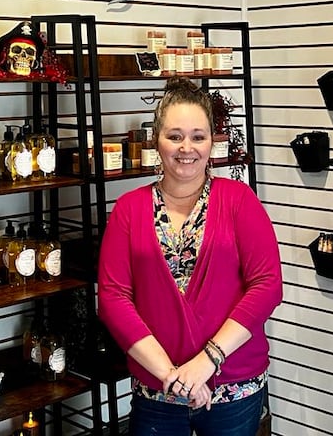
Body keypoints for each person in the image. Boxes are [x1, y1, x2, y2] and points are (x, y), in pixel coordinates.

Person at [98, 76, 283, 436]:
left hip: (233, 385)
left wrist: (208, 360)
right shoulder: (128, 210)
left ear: (212, 141)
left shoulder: (239, 201)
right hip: (157, 389)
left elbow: (267, 285)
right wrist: (172, 375)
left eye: (198, 136)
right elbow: (113, 298)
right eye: (175, 136)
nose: (187, 148)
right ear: (156, 140)